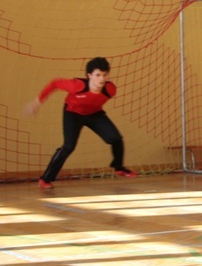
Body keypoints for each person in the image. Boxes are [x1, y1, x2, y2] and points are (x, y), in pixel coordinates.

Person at [24, 57, 137, 189]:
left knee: (116, 138)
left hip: (95, 114)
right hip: (73, 114)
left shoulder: (110, 89)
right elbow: (54, 84)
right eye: (98, 75)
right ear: (89, 75)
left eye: (104, 75)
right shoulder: (77, 85)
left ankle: (119, 167)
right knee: (68, 146)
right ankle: (46, 179)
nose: (101, 79)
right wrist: (37, 102)